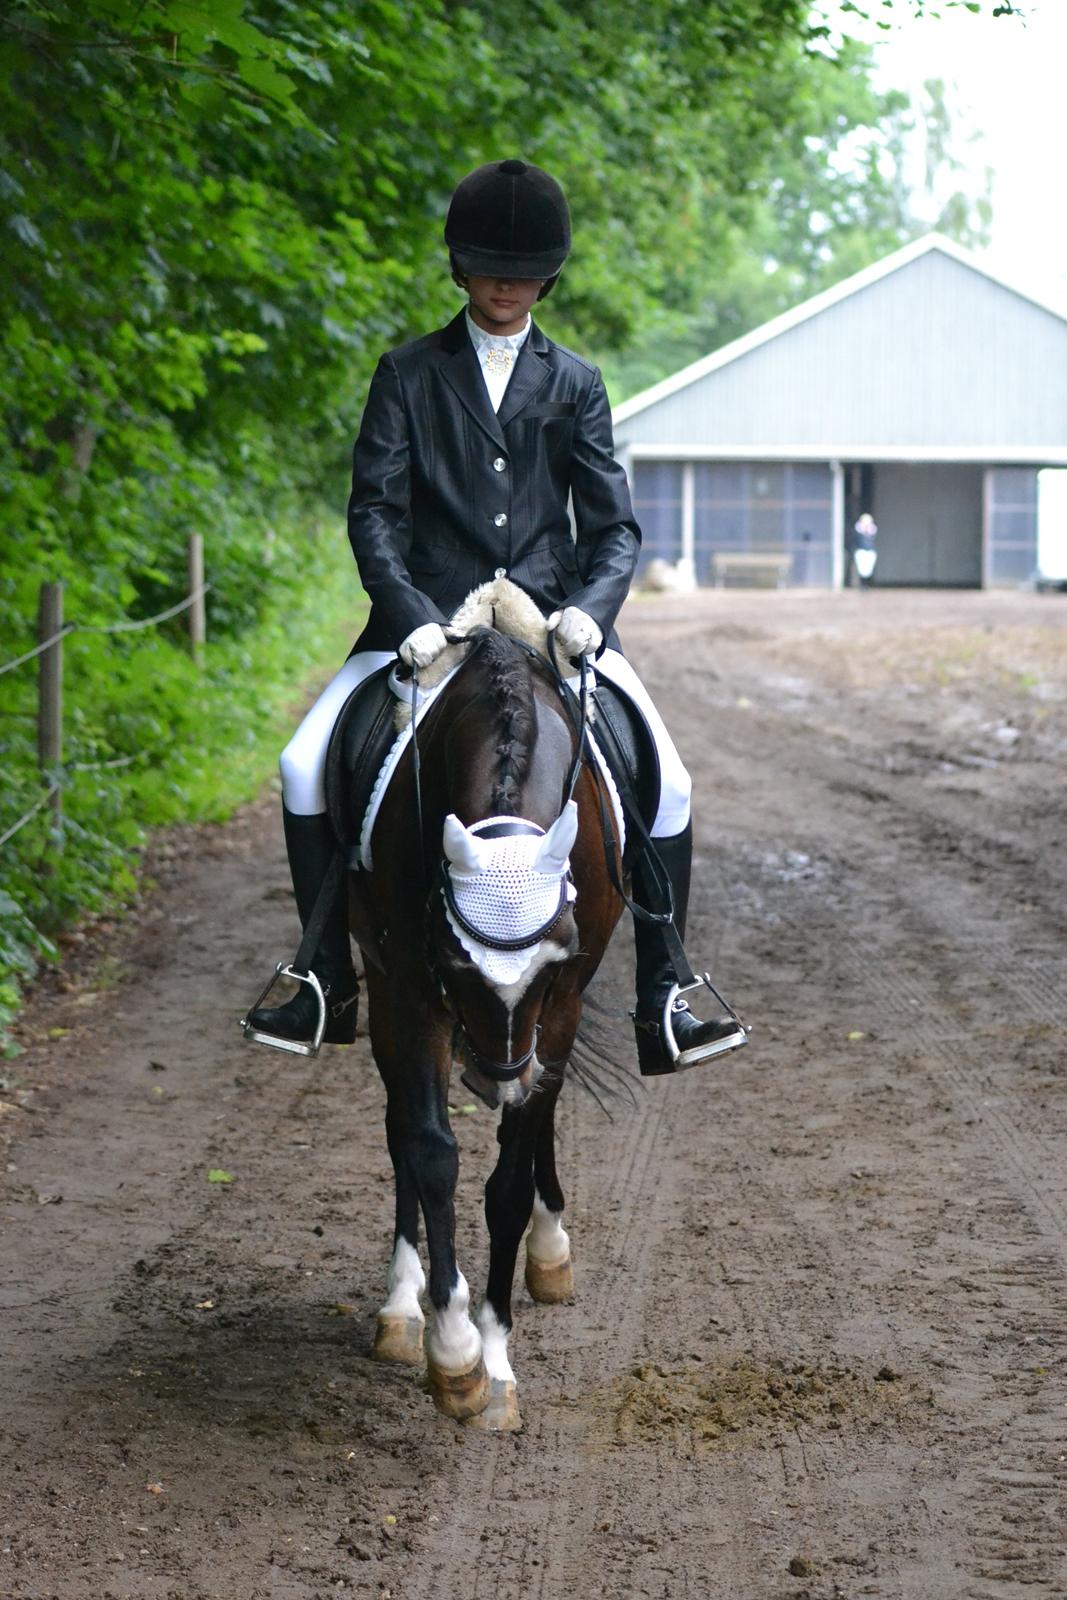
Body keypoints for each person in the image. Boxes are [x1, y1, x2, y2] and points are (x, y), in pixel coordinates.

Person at [247, 158, 736, 1074]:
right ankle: (323, 978)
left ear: (547, 278)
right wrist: (409, 613)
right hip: (425, 623)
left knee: (667, 777)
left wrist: (589, 611)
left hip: (553, 622)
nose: (506, 285)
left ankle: (663, 992)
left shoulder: (575, 381)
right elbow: (374, 513)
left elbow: (615, 527)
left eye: (523, 272)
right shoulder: (407, 374)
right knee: (302, 762)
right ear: (460, 269)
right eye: (489, 268)